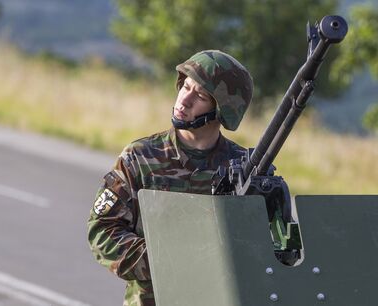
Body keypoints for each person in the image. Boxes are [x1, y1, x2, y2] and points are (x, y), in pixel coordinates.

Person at [87, 50, 254, 306]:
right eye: (185, 86)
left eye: (199, 96)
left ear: (222, 111)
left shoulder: (244, 168)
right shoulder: (141, 157)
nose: (184, 100)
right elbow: (103, 230)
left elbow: (273, 252)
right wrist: (166, 260)